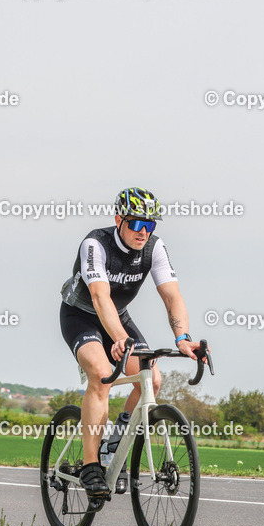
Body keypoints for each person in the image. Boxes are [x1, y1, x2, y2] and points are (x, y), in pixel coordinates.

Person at [60, 187, 202, 498]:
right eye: (137, 223)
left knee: (152, 379)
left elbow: (172, 296)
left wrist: (182, 337)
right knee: (102, 375)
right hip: (81, 315)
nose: (143, 232)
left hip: (119, 317)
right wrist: (120, 339)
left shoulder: (154, 248)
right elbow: (99, 296)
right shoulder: (95, 244)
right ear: (118, 220)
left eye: (150, 224)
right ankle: (90, 465)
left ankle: (116, 443)